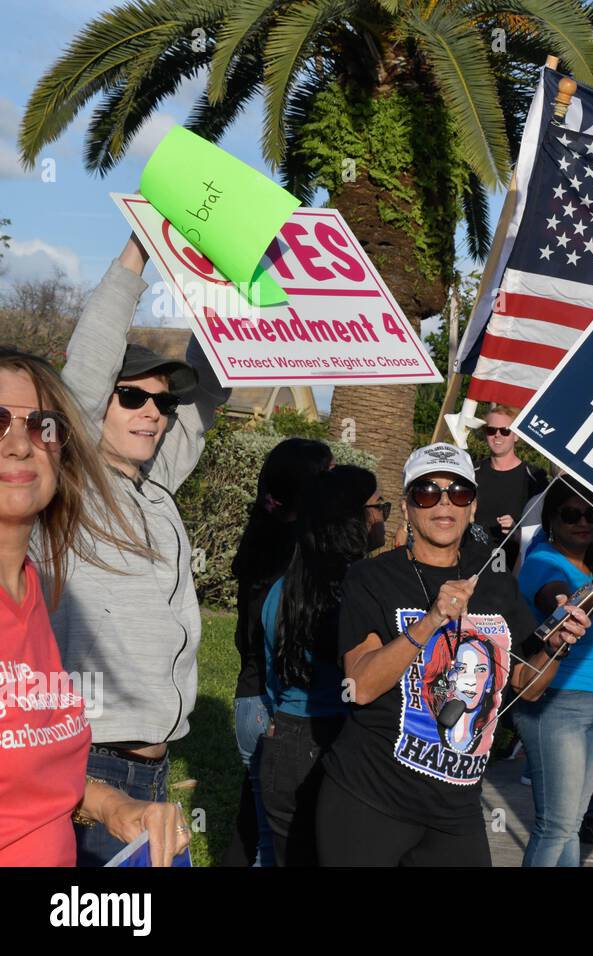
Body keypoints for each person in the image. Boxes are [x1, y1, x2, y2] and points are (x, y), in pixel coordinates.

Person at [315, 443, 591, 866]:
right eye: (427, 492)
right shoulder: (371, 577)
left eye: (458, 492)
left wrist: (557, 648)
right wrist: (430, 620)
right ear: (407, 506)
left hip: (456, 809)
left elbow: (526, 687)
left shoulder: (494, 579)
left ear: (472, 506)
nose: (444, 502)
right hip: (370, 801)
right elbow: (361, 688)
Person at [49, 236, 230, 866]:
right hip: (90, 772)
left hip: (154, 772)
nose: (153, 413)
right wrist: (138, 250)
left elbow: (209, 389)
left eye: (162, 401)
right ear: (97, 408)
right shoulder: (69, 483)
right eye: (132, 397)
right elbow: (87, 370)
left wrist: (231, 291)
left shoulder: (153, 484)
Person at [1, 349, 190, 866]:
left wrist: (112, 805)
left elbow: (29, 770)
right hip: (105, 758)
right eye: (131, 396)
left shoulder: (29, 592)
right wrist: (134, 263)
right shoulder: (83, 489)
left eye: (42, 426)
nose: (20, 444)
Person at [258, 465, 384, 866]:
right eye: (379, 506)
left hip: (286, 736)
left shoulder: (282, 588)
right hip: (346, 739)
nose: (383, 514)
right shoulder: (366, 590)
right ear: (356, 518)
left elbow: (272, 672)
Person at [514, 477, 593, 867]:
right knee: (555, 827)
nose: (583, 522)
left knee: (572, 824)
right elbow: (568, 610)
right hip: (558, 705)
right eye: (571, 514)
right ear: (551, 518)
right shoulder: (543, 562)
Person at [227, 437, 333, 867]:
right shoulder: (298, 554)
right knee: (277, 848)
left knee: (257, 827)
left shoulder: (263, 534)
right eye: (326, 474)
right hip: (276, 706)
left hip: (249, 699)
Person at [473, 405, 548, 570]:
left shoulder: (535, 477)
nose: (497, 435)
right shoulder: (471, 472)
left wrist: (517, 533)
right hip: (471, 560)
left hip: (513, 567)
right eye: (491, 430)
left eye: (505, 430)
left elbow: (545, 531)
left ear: (516, 436)